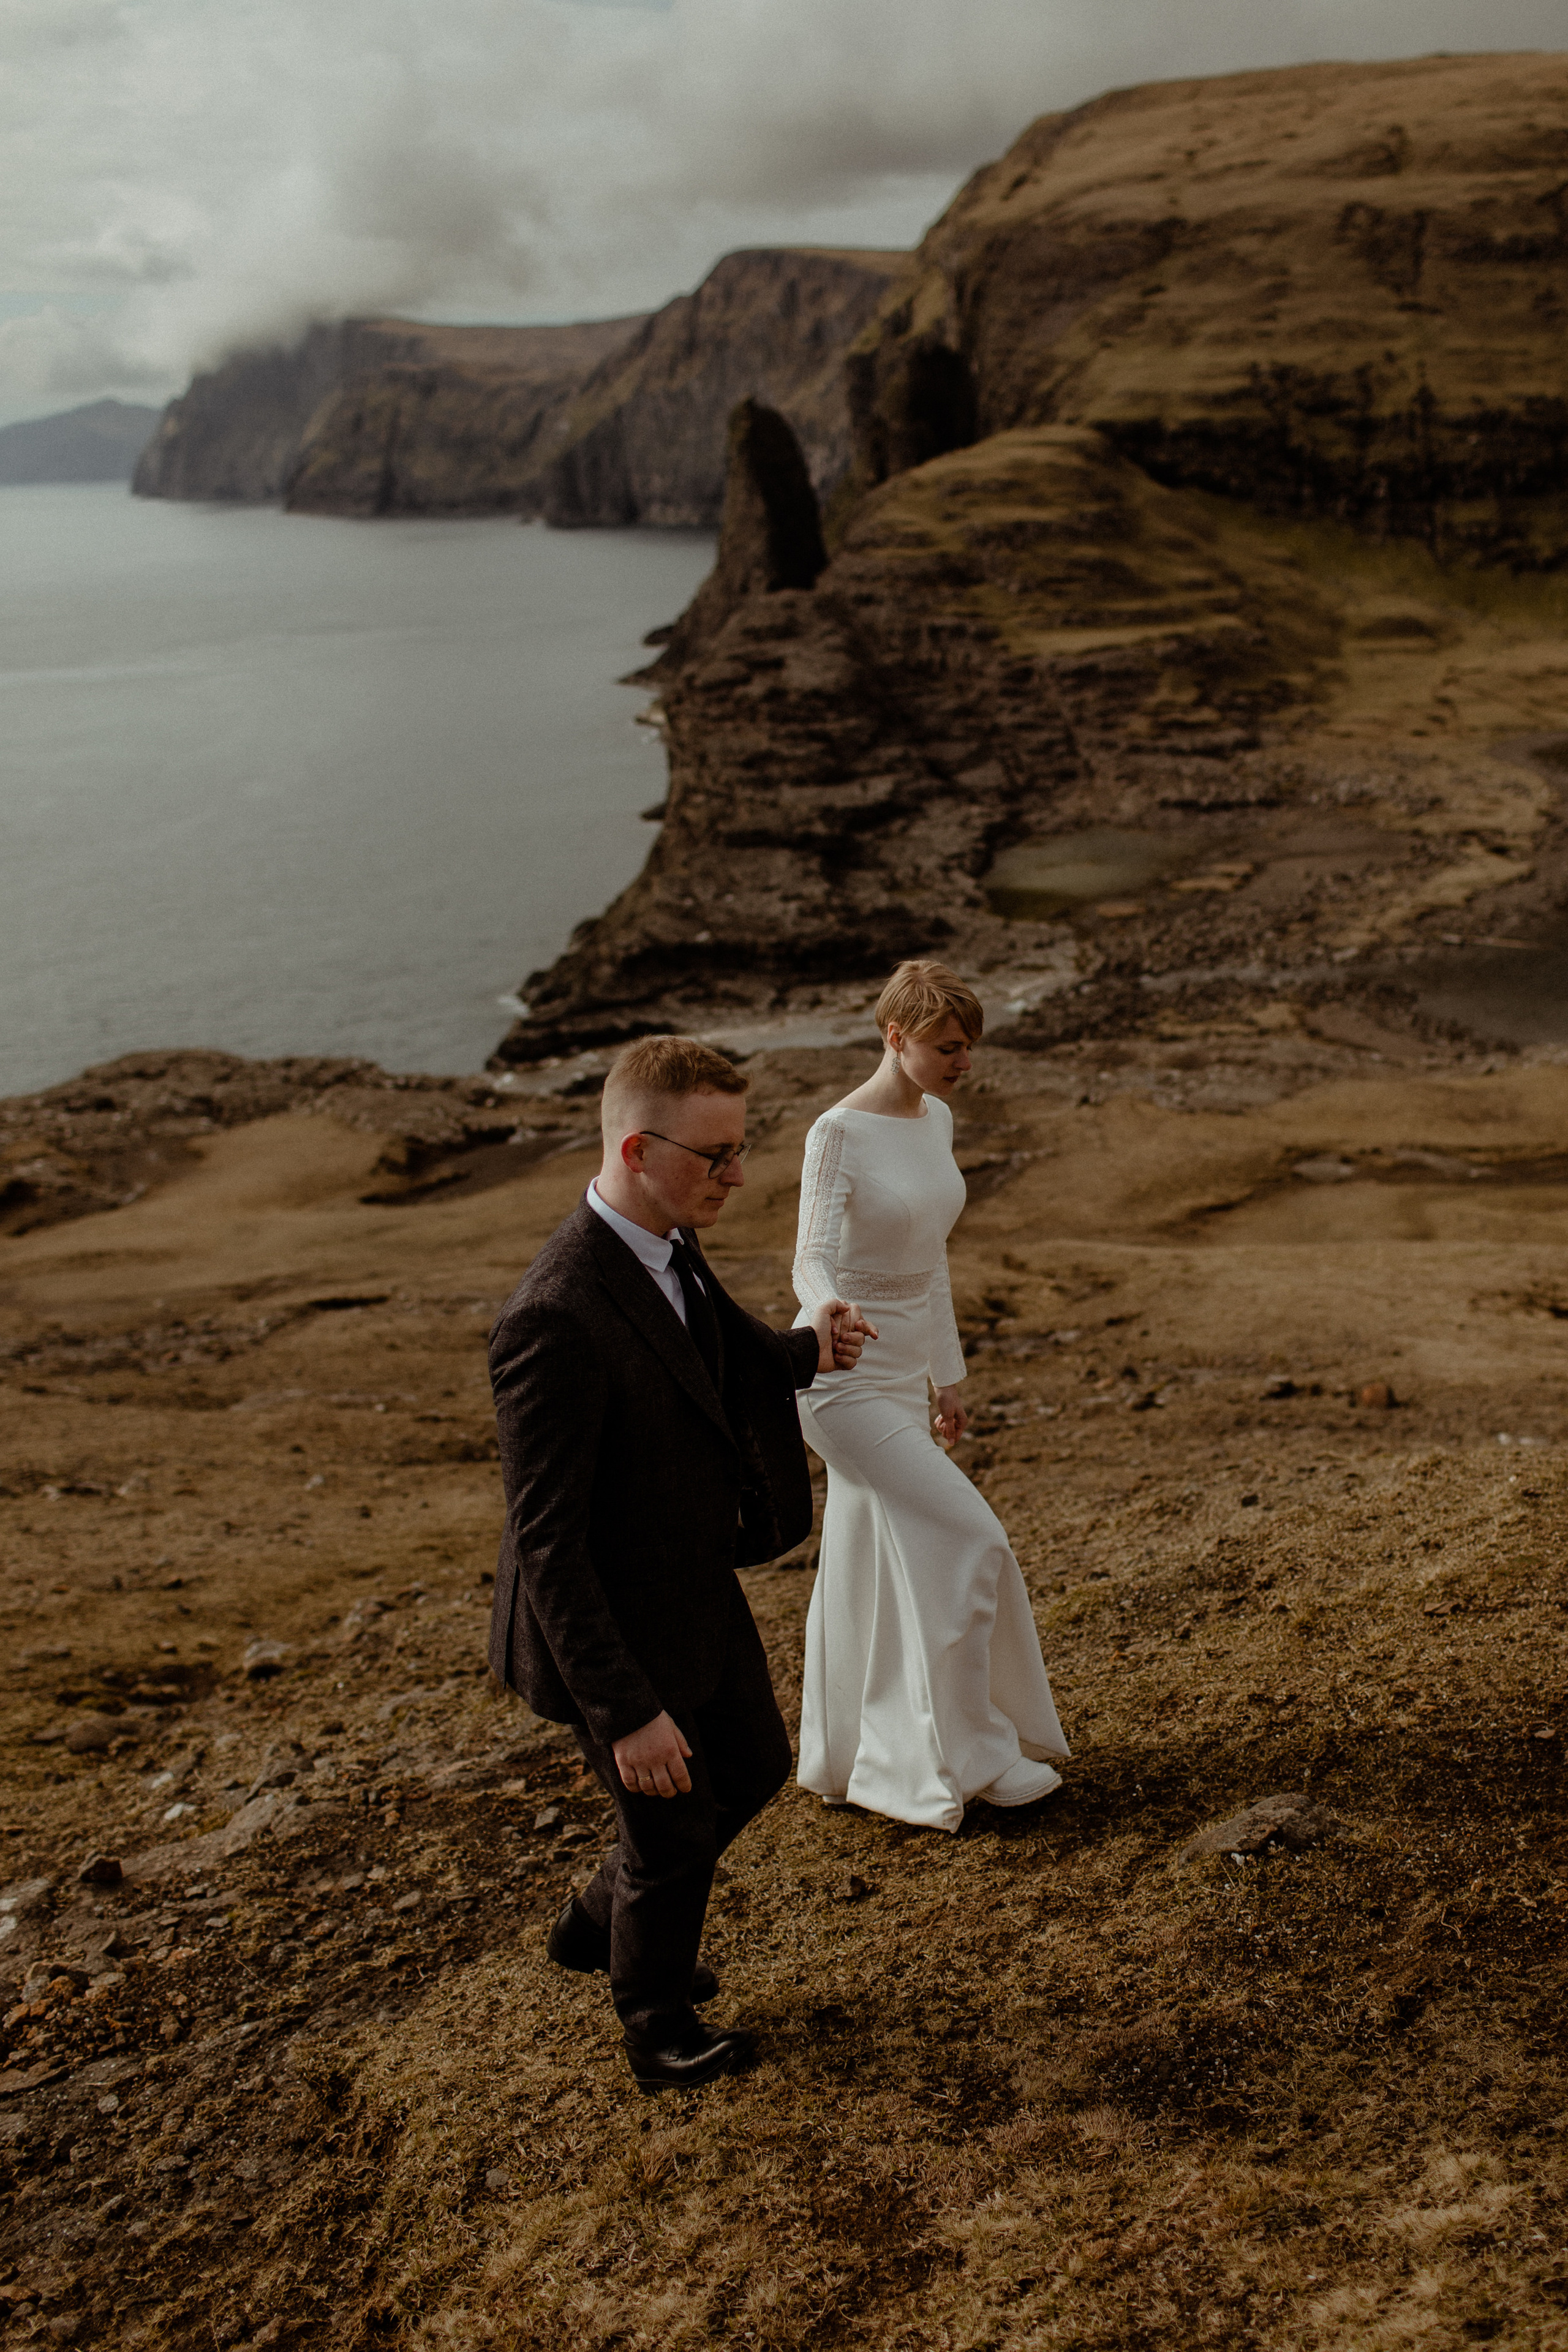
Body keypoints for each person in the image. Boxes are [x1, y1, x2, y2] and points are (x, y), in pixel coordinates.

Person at [486, 1035, 869, 2093]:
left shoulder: (670, 1239)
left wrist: (808, 1350)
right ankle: (655, 2023)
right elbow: (548, 1542)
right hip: (609, 1625)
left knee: (753, 1767)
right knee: (670, 1826)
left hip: (693, 1586)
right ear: (637, 1150)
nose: (738, 1175)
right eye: (717, 1155)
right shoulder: (551, 1319)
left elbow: (716, 1348)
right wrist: (625, 1714)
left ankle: (594, 1921)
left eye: (740, 1148)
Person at [792, 960, 1070, 1833]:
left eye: (968, 1046)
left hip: (908, 1377)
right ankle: (979, 1755)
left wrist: (947, 1373)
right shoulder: (836, 1133)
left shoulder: (937, 1118)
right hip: (842, 1380)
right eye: (948, 1047)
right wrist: (825, 1308)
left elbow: (931, 1259)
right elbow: (810, 1256)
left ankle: (844, 1759)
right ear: (895, 1037)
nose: (964, 1062)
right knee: (971, 1538)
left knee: (868, 1562)